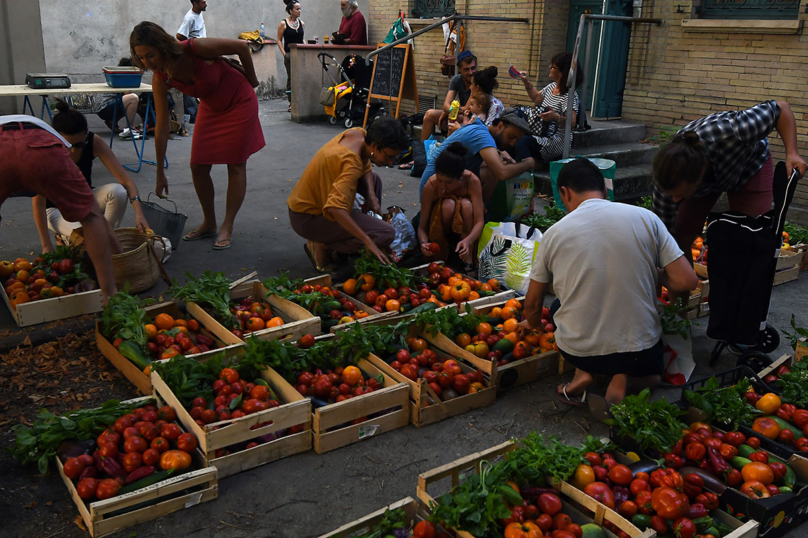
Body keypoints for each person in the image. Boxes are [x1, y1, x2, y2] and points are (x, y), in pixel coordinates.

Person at [518, 159, 698, 409]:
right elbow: (687, 280)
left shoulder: (554, 234)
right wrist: (653, 273)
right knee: (654, 373)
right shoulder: (646, 217)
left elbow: (534, 301)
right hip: (640, 352)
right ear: (604, 190)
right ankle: (623, 380)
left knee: (559, 305)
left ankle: (582, 375)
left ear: (564, 193)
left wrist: (534, 323)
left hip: (579, 350)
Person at [131, 21, 265, 251]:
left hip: (239, 100)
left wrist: (252, 81)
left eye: (150, 55)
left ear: (163, 47)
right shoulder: (160, 78)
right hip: (212, 107)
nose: (147, 63)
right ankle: (209, 222)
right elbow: (162, 126)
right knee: (198, 166)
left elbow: (242, 47)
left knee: (235, 164)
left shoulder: (194, 48)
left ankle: (227, 225)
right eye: (141, 58)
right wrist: (160, 173)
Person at [652, 101, 806, 272]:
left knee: (752, 237)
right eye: (672, 195)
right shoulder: (668, 181)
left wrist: (792, 153)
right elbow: (664, 239)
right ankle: (686, 295)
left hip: (750, 165)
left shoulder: (732, 131)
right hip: (704, 177)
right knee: (680, 236)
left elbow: (780, 108)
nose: (674, 200)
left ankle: (743, 290)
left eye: (680, 195)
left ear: (699, 178)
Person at [0, 116, 120, 301]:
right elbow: (96, 217)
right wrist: (120, 258)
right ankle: (110, 296)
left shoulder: (92, 142)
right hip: (41, 148)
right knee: (91, 217)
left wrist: (46, 245)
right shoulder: (42, 130)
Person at [287, 117, 409, 272]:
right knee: (385, 233)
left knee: (374, 179)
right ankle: (322, 245)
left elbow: (365, 162)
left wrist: (371, 196)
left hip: (307, 204)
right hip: (308, 218)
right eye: (389, 157)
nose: (391, 163)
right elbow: (335, 208)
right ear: (374, 145)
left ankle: (354, 234)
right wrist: (367, 240)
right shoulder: (350, 164)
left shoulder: (358, 134)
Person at [32, 100, 149, 252]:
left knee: (118, 192)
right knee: (88, 236)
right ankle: (79, 239)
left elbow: (126, 180)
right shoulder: (46, 152)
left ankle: (104, 242)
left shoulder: (94, 142)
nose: (73, 152)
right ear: (56, 139)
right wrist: (46, 245)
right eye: (67, 146)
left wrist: (139, 213)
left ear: (86, 136)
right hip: (55, 209)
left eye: (80, 145)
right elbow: (38, 204)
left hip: (84, 200)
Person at [419, 109, 534, 203]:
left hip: (440, 186)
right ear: (500, 125)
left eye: (516, 140)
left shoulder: (480, 129)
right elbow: (502, 172)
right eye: (511, 137)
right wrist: (527, 163)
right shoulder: (482, 136)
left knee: (490, 167)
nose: (512, 143)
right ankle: (480, 214)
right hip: (434, 192)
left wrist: (499, 152)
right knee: (492, 174)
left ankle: (478, 213)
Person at [418, 142, 484, 272]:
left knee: (466, 205)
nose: (443, 187)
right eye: (440, 180)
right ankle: (444, 254)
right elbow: (422, 226)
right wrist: (424, 243)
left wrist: (468, 241)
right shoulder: (431, 185)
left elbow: (479, 221)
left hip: (466, 227)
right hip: (440, 226)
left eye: (448, 183)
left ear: (460, 178)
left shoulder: (472, 181)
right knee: (448, 204)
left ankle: (468, 260)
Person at [514, 52, 581, 163]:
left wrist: (556, 117)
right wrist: (526, 81)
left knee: (522, 142)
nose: (549, 67)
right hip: (541, 132)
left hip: (557, 140)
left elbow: (572, 123)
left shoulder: (569, 95)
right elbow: (536, 98)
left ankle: (525, 172)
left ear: (561, 73)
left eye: (553, 66)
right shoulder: (551, 87)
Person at [421, 50, 477, 141]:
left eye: (473, 68)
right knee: (429, 114)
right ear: (459, 69)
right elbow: (446, 105)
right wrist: (447, 111)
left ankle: (447, 149)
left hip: (476, 120)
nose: (471, 72)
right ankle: (423, 150)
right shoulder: (457, 80)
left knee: (455, 118)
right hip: (461, 116)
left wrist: (447, 112)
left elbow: (467, 109)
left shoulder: (479, 81)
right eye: (467, 69)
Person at [93, 58, 141, 137]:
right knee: (133, 99)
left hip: (105, 107)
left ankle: (112, 121)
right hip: (105, 108)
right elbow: (127, 93)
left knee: (132, 101)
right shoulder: (123, 77)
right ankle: (129, 128)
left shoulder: (116, 76)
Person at [277, 0, 304, 113]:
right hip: (289, 55)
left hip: (300, 54)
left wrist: (305, 47)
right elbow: (279, 40)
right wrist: (284, 54)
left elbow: (302, 39)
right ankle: (291, 103)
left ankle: (301, 101)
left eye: (300, 9)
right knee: (291, 78)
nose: (299, 11)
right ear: (290, 11)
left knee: (301, 77)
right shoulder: (284, 23)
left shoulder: (301, 23)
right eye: (297, 9)